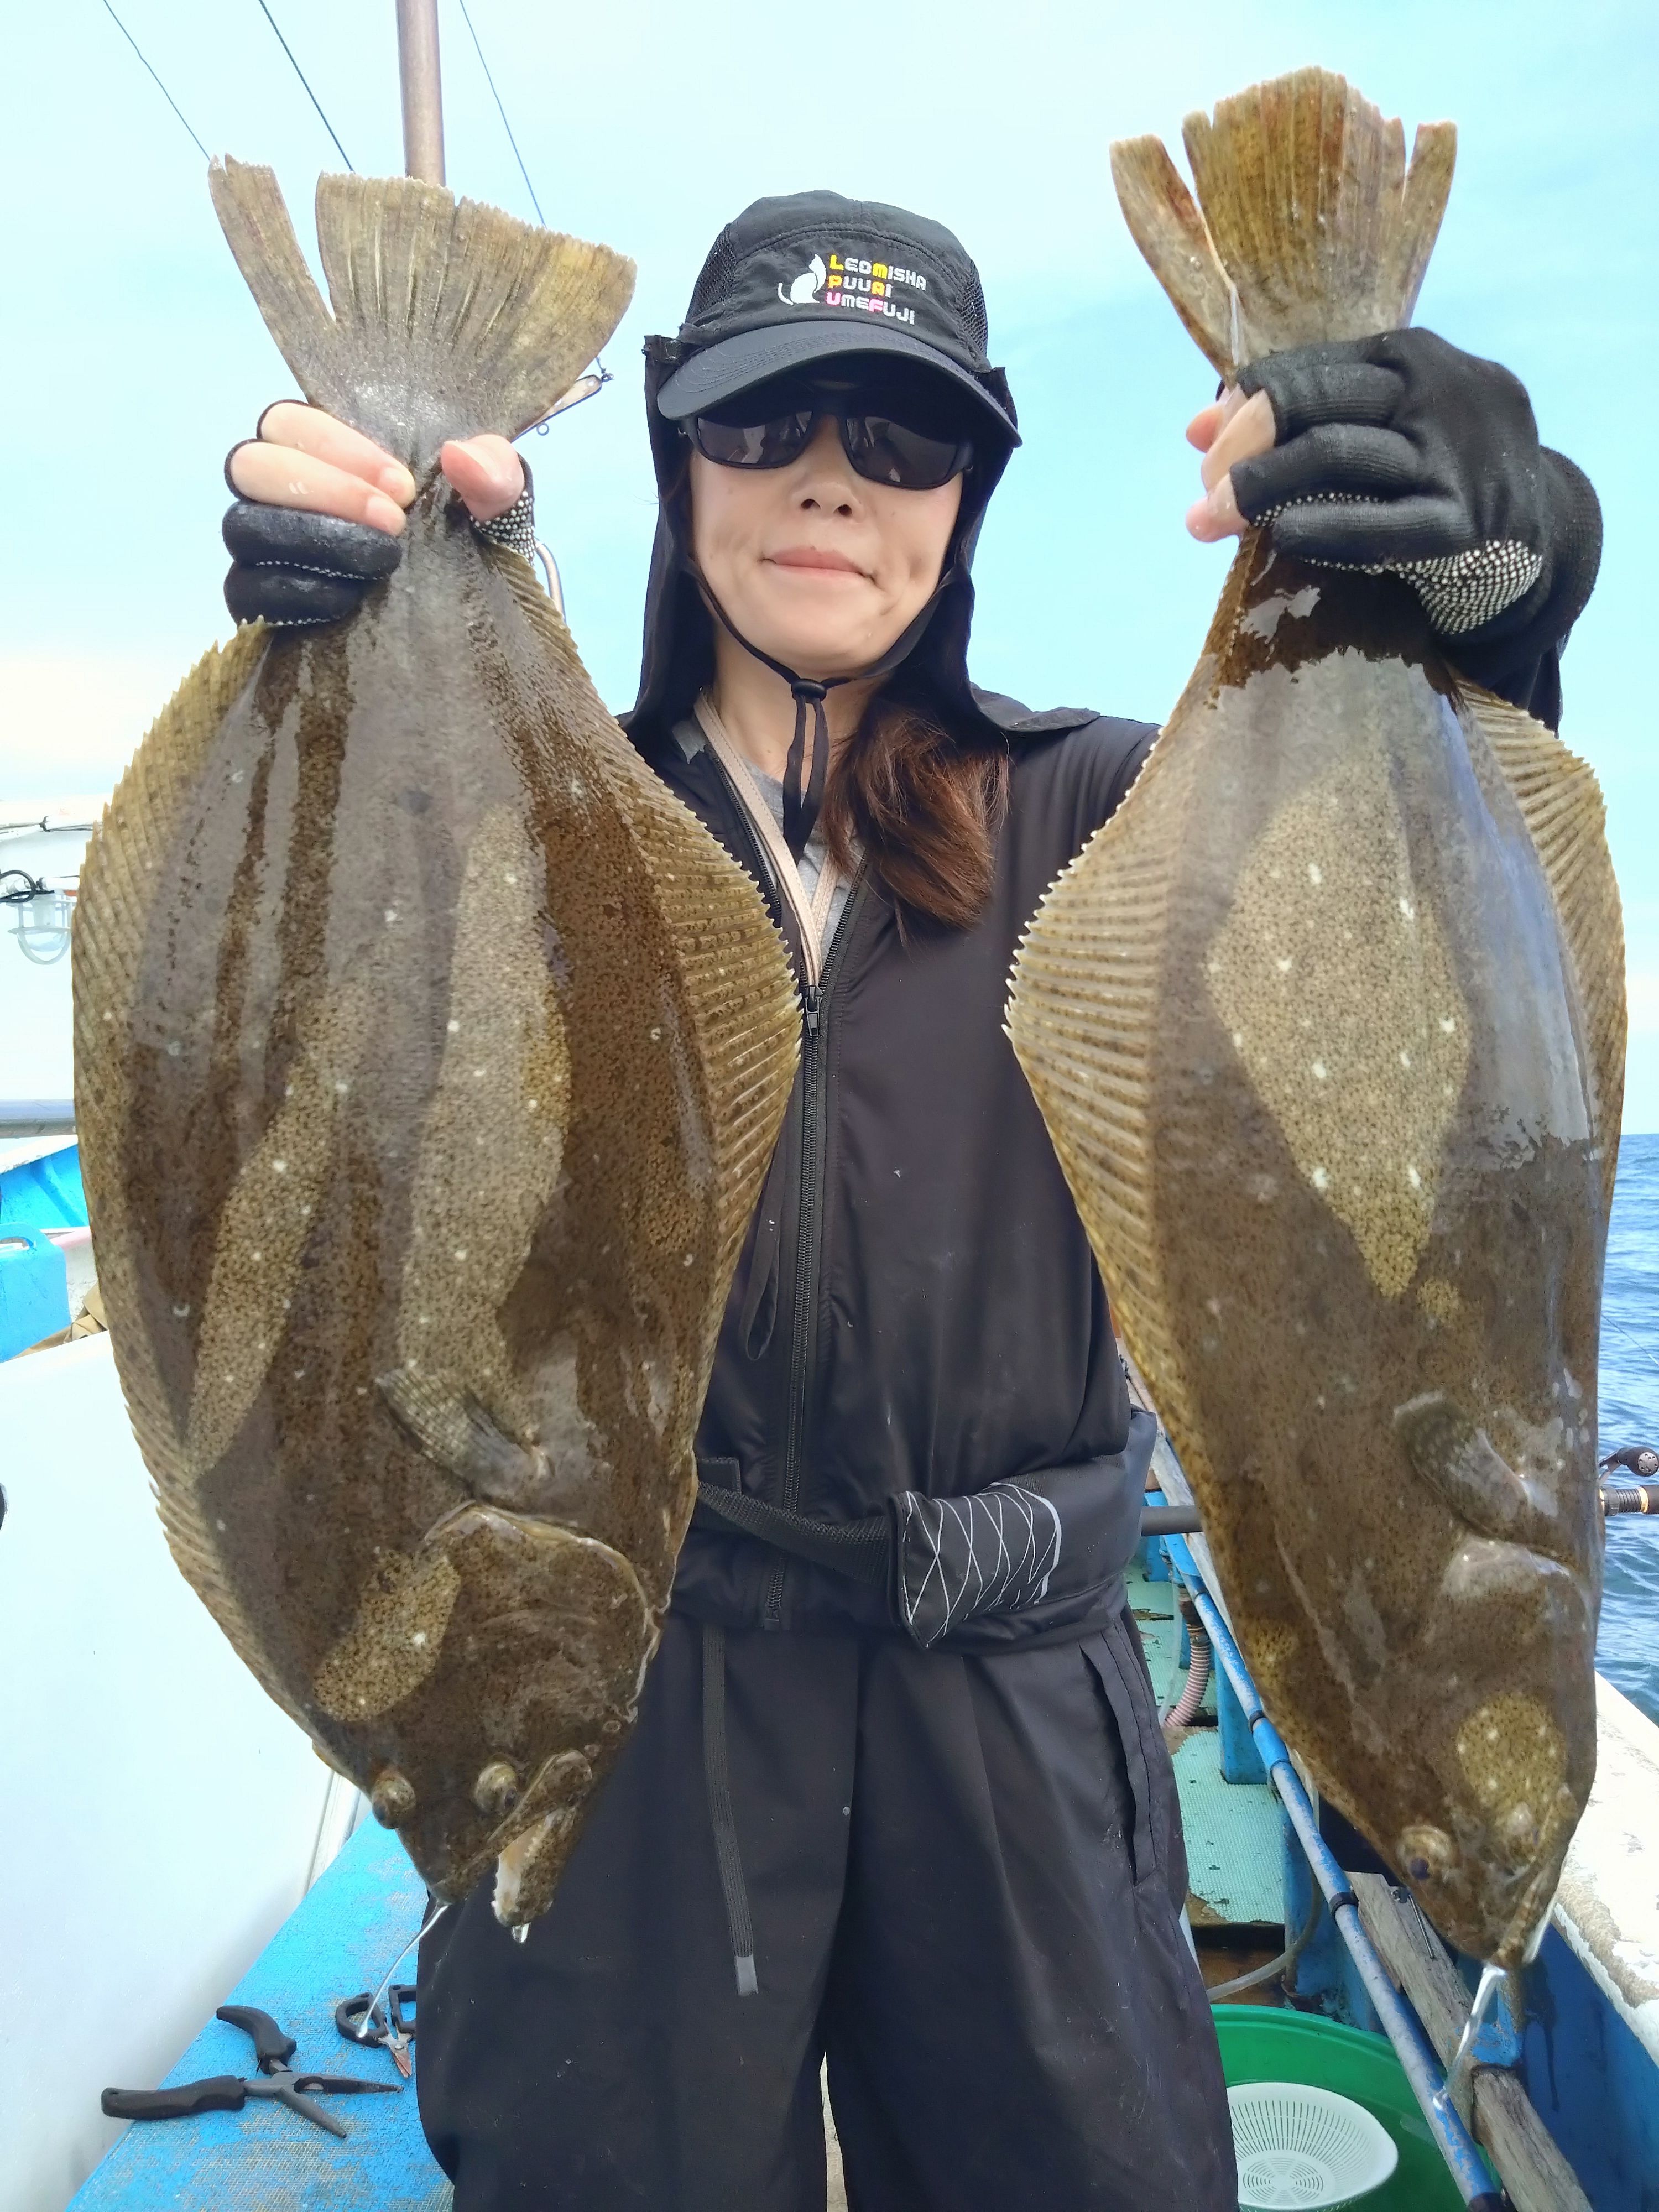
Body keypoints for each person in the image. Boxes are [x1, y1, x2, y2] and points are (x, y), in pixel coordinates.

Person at [220, 190, 1601, 2210]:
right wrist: (326, 633)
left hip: (1018, 1687)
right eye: (767, 420)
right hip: (626, 1692)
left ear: (970, 495)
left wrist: (1493, 565)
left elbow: (1420, 842)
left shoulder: (1113, 809)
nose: (832, 483)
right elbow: (294, 1033)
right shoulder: (521, 823)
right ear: (678, 451)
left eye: (905, 436)